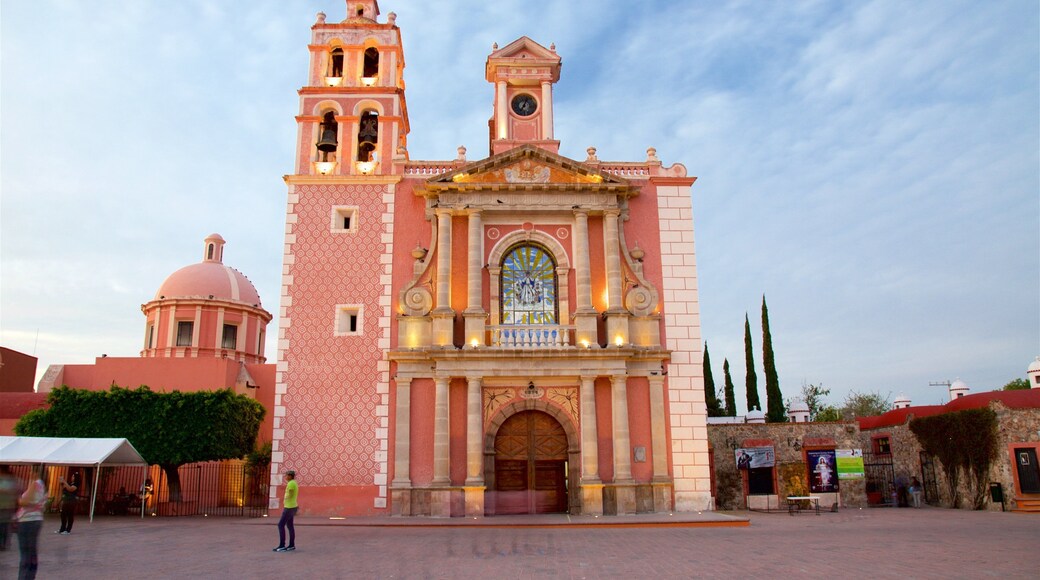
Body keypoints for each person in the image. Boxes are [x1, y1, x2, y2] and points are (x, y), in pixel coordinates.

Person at [16, 466, 48, 580]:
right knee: (32, 552)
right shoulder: (44, 486)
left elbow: (24, 501)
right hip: (37, 519)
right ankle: (30, 576)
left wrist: (19, 499)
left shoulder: (35, 484)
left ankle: (24, 577)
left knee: (25, 554)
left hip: (27, 520)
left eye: (31, 470)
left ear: (35, 472)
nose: (29, 472)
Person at [273, 470, 298, 552]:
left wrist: (286, 498)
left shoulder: (291, 483)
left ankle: (282, 545)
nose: (285, 477)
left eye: (286, 475)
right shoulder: (294, 483)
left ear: (290, 476)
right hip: (293, 506)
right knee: (290, 526)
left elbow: (290, 492)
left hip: (289, 507)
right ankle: (291, 545)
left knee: (280, 525)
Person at [0, 465, 19, 551]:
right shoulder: (9, 479)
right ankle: (4, 543)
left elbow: (9, 490)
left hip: (6, 506)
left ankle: (3, 543)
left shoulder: (8, 479)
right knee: (4, 525)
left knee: (3, 525)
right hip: (6, 505)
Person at [57, 469, 80, 534]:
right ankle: (62, 528)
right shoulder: (70, 483)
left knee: (70, 515)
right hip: (66, 500)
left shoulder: (76, 484)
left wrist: (64, 481)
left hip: (72, 501)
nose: (72, 477)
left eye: (73, 476)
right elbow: (65, 488)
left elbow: (70, 489)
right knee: (63, 514)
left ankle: (68, 530)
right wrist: (62, 483)